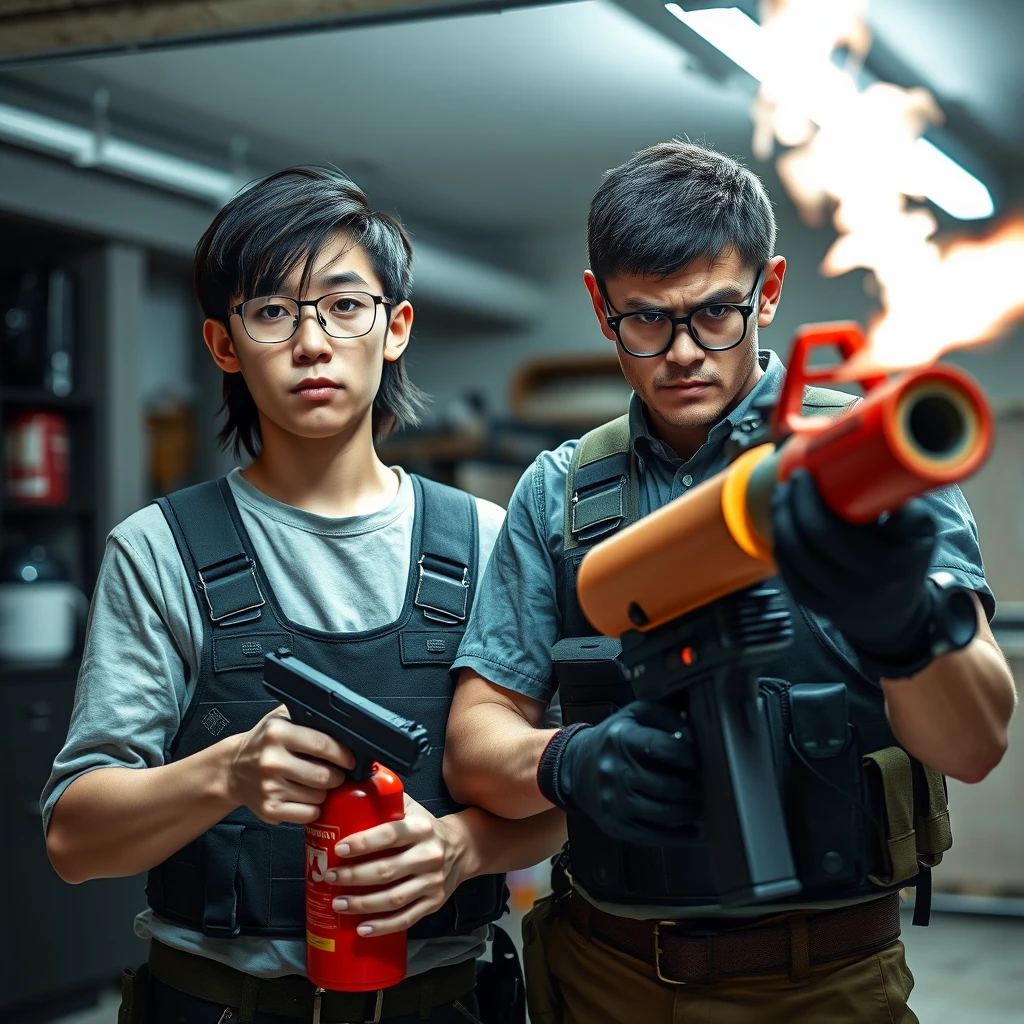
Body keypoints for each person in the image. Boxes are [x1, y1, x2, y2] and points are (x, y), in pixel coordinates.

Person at [443, 141, 1017, 1023]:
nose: (683, 353)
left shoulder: (869, 468)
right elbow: (475, 744)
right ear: (600, 305)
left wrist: (905, 620)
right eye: (646, 319)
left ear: (772, 289)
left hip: (827, 985)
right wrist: (566, 759)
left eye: (717, 313)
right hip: (604, 977)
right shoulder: (558, 491)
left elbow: (975, 746)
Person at [42, 166, 564, 1024]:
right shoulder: (158, 550)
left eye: (343, 305)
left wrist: (464, 847)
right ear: (223, 344)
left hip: (447, 1003)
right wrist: (224, 776)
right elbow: (72, 841)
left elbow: (555, 799)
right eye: (272, 312)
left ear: (394, 328)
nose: (311, 343)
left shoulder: (487, 538)